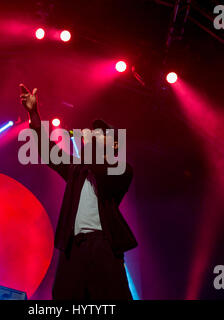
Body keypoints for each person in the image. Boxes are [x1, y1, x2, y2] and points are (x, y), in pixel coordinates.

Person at [19, 84, 137, 300]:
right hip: (74, 247)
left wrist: (91, 143)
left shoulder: (121, 169)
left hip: (103, 245)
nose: (92, 135)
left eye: (100, 134)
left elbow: (100, 169)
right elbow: (47, 150)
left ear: (115, 145)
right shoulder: (76, 169)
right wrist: (33, 113)